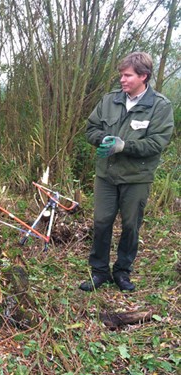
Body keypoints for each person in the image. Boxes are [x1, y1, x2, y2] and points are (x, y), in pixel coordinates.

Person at [80, 52, 174, 292]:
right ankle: (99, 272)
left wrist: (124, 146)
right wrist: (104, 138)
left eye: (127, 75)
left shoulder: (159, 106)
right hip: (106, 176)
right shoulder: (110, 100)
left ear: (143, 76)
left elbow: (157, 143)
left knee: (131, 225)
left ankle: (122, 272)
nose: (122, 80)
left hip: (137, 178)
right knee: (101, 222)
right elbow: (91, 129)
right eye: (121, 75)